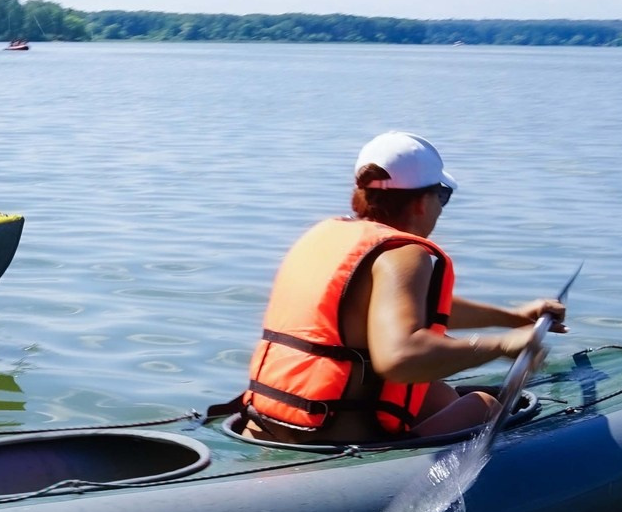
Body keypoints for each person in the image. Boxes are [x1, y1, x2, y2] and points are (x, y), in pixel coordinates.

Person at [241, 131, 567, 445]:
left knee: (438, 393)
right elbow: (399, 358)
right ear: (421, 203)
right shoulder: (404, 255)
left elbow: (410, 307)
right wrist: (501, 344)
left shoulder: (328, 236)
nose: (441, 208)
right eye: (443, 195)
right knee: (484, 404)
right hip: (332, 438)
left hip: (269, 421)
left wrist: (512, 317)